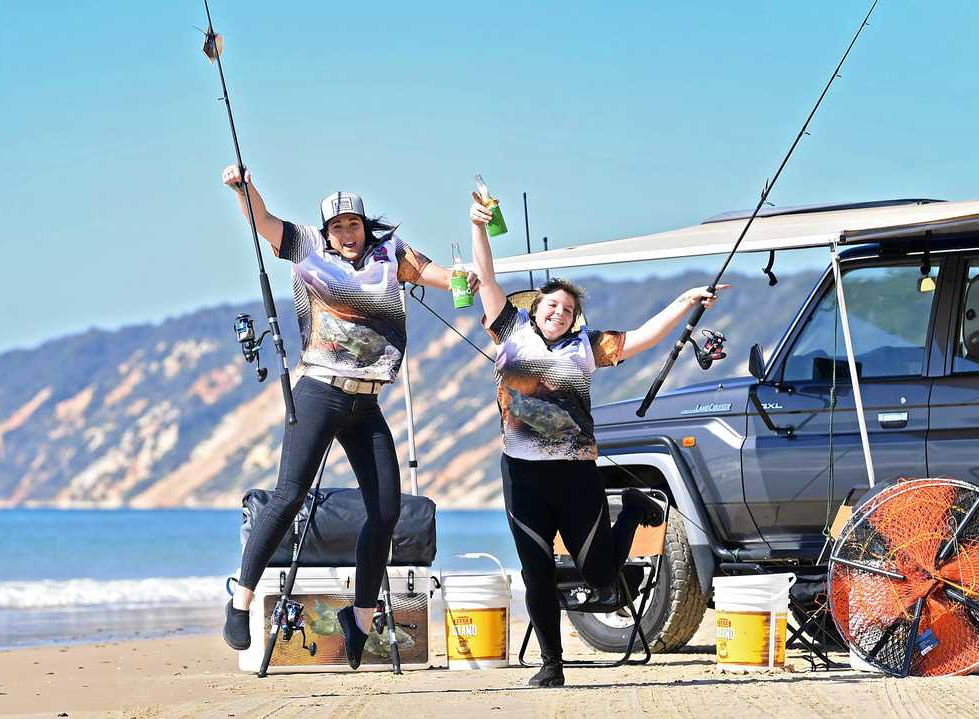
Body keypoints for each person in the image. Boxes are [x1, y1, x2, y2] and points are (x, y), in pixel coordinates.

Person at [220, 165, 478, 668]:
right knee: (289, 494)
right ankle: (241, 599)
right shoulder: (306, 247)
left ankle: (359, 617)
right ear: (327, 231)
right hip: (318, 389)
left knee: (386, 510)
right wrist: (242, 188)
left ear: (365, 225)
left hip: (367, 401)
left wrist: (465, 275)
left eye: (353, 225)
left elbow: (439, 277)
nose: (346, 234)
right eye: (337, 227)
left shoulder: (391, 255)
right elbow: (263, 220)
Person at [467, 195, 727, 687]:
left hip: (574, 474)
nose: (558, 314)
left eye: (567, 310)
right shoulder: (509, 331)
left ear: (574, 318)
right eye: (551, 306)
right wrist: (477, 227)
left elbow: (645, 336)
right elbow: (486, 276)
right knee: (536, 571)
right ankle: (552, 664)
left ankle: (630, 509)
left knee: (602, 576)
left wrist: (686, 301)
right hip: (521, 474)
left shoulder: (586, 348)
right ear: (535, 308)